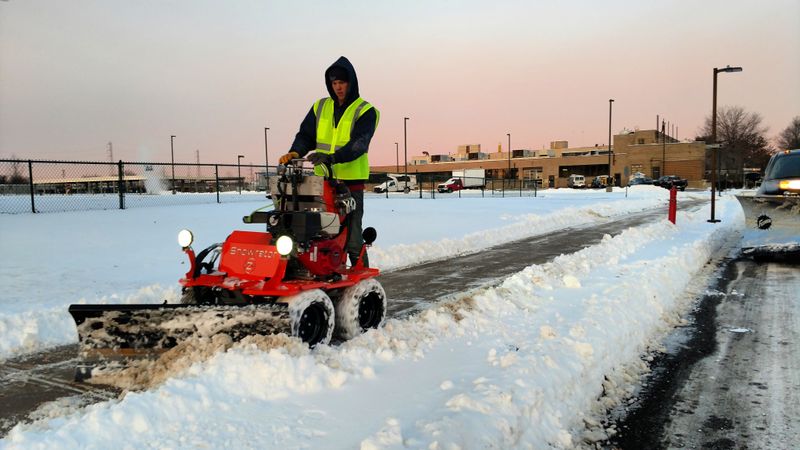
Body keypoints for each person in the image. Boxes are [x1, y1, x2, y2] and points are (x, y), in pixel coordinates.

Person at [278, 56, 379, 267]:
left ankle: (362, 280)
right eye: (334, 83)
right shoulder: (320, 107)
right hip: (322, 184)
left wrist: (331, 158)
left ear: (351, 82)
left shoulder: (366, 111)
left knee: (352, 238)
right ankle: (321, 272)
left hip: (351, 184)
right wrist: (295, 152)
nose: (338, 87)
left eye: (342, 82)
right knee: (316, 233)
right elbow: (306, 135)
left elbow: (358, 145)